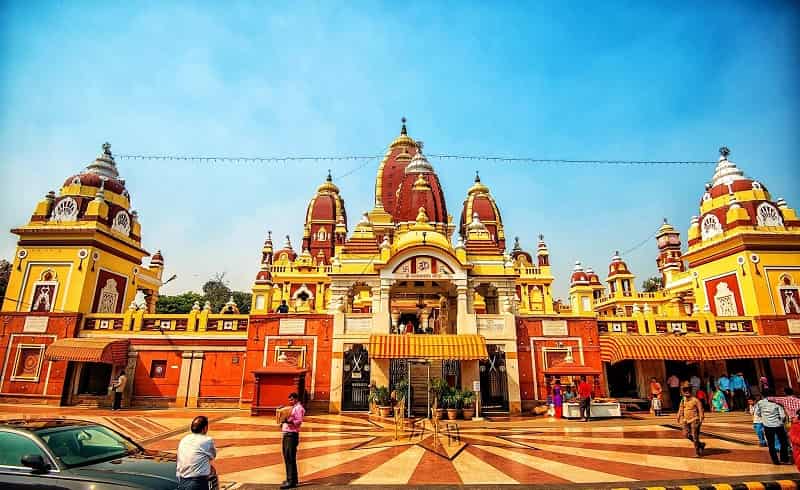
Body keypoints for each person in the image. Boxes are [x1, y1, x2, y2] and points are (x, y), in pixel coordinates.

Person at [176, 416, 217, 490]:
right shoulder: (207, 440)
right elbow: (213, 456)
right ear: (205, 428)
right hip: (197, 483)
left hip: (182, 482)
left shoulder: (184, 439)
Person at [755, 390, 790, 465]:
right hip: (778, 425)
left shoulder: (760, 403)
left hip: (767, 426)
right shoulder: (777, 402)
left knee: (771, 444)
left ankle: (775, 461)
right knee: (783, 442)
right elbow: (782, 416)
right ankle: (784, 459)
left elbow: (758, 413)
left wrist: (765, 418)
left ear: (763, 395)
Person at [280, 392, 306, 489]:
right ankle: (292, 479)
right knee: (288, 457)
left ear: (295, 399)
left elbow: (298, 421)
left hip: (291, 435)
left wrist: (288, 421)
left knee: (289, 458)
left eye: (291, 400)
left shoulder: (298, 408)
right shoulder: (293, 408)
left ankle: (291, 481)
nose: (290, 401)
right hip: (288, 434)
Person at [676, 386, 705, 457]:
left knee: (695, 436)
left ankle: (697, 452)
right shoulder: (683, 400)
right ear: (683, 392)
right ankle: (700, 444)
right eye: (685, 390)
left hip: (694, 420)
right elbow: (681, 409)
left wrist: (701, 418)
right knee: (686, 434)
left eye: (688, 390)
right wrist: (678, 416)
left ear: (691, 391)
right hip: (685, 420)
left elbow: (701, 409)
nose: (687, 392)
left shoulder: (695, 400)